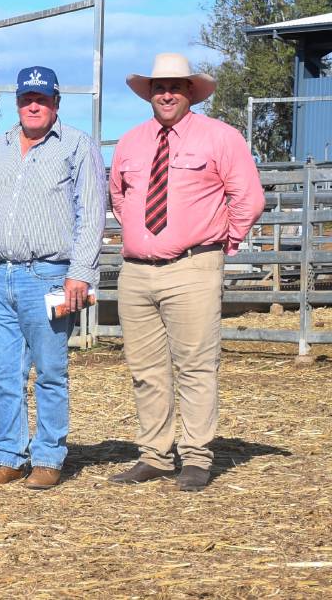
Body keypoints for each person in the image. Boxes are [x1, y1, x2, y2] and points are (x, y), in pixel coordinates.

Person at [108, 53, 265, 492]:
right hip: (137, 271)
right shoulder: (131, 141)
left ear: (191, 92)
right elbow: (120, 200)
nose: (167, 94)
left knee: (196, 366)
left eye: (176, 86)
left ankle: (196, 456)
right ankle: (155, 455)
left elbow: (248, 199)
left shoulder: (221, 137)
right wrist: (143, 236)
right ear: (149, 94)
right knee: (146, 368)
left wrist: (221, 242)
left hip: (193, 265)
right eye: (159, 87)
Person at [0, 66, 106, 489]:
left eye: (42, 99)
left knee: (49, 370)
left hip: (49, 273)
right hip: (3, 273)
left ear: (56, 103)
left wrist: (80, 273)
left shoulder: (77, 146)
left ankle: (47, 456)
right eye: (27, 98)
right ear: (17, 102)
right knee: (4, 372)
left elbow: (91, 213)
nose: (33, 105)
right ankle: (8, 455)